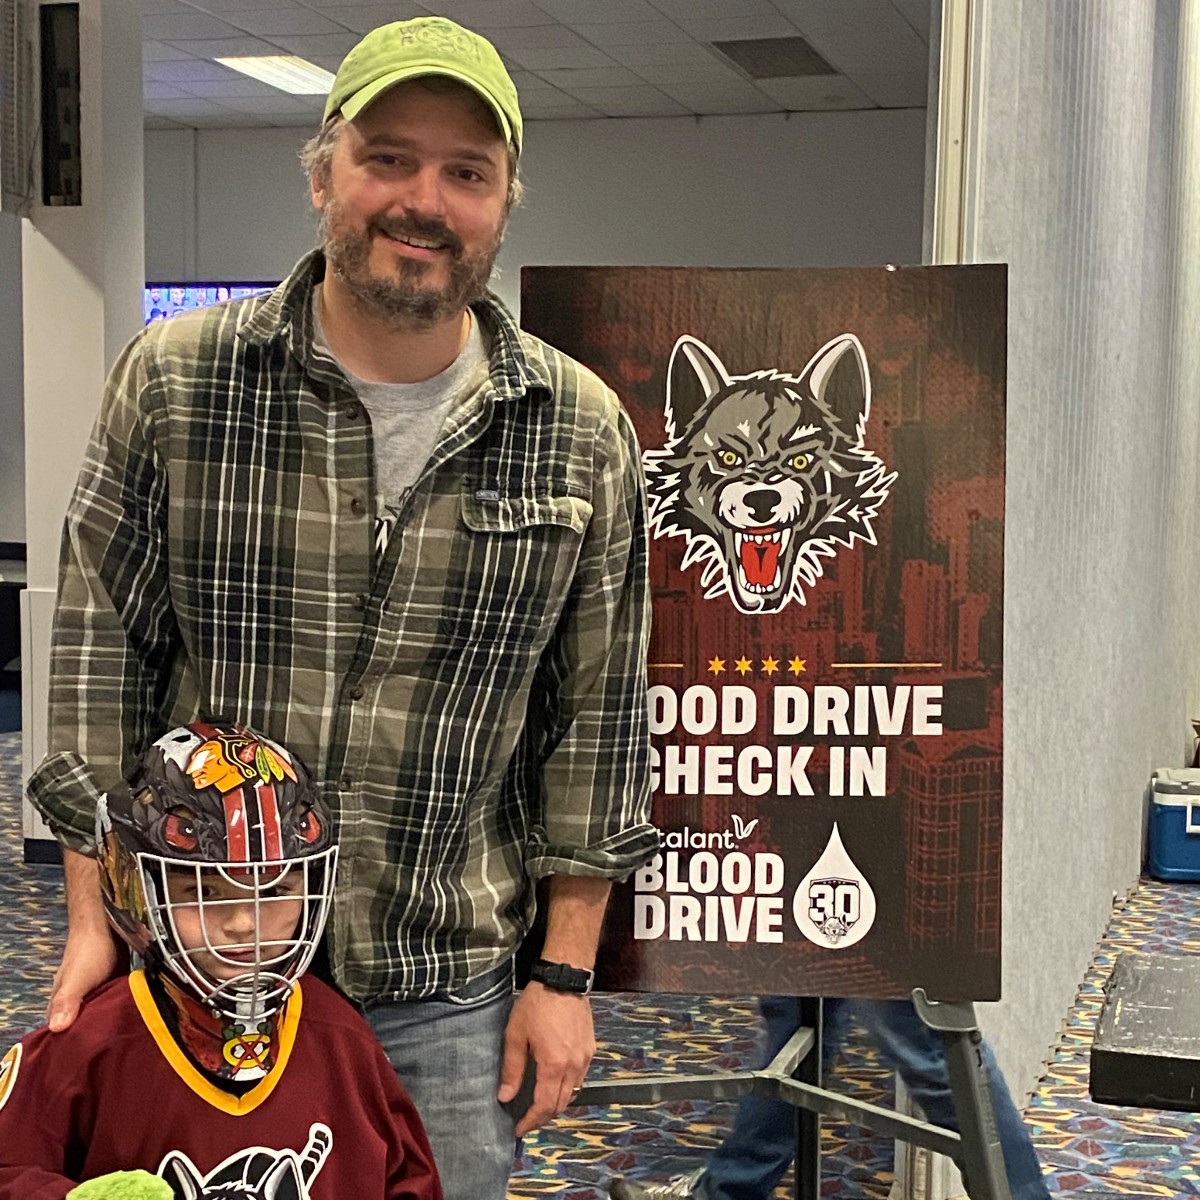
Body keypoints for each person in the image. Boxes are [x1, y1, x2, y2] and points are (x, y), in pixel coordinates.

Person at [26, 14, 656, 1200]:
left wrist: (563, 978)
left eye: (466, 171)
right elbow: (97, 664)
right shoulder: (178, 382)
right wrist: (93, 922)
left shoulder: (579, 430)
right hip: (202, 965)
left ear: (506, 201)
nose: (424, 199)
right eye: (389, 158)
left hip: (448, 989)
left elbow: (600, 728)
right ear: (323, 174)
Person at [1, 720, 442, 1199]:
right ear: (138, 889)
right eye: (203, 891)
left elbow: (408, 1180)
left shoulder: (340, 1037)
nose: (242, 923)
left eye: (273, 889)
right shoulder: (92, 1041)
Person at [608, 995, 1051, 1200]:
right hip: (824, 818)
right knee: (796, 1014)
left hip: (896, 842)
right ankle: (728, 1189)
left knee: (925, 1043)